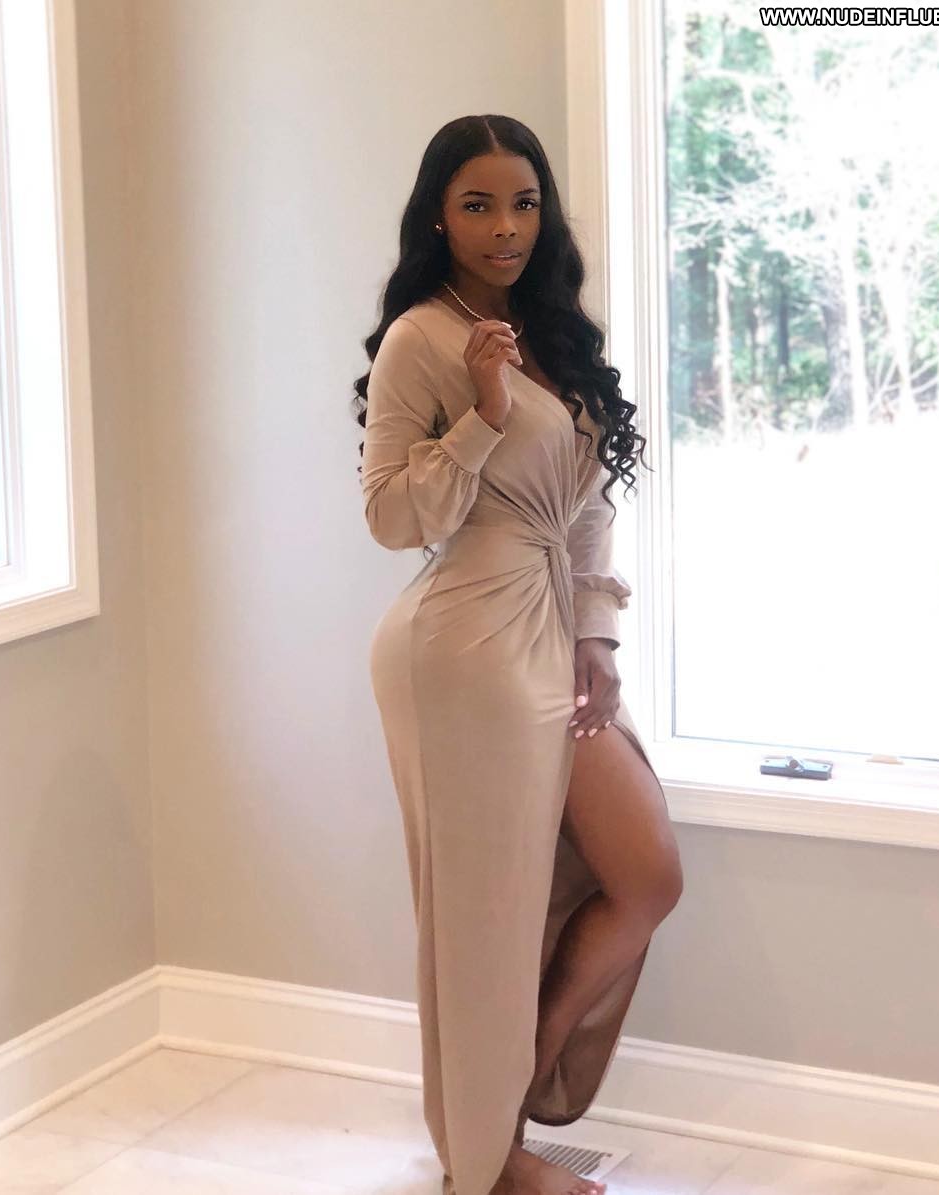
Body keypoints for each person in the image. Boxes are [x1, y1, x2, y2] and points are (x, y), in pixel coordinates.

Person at [355, 115, 683, 1195]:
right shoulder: (421, 340)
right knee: (484, 913)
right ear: (437, 219)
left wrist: (599, 634)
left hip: (549, 627)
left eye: (524, 203)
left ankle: (507, 1104)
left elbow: (584, 506)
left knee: (645, 874)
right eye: (479, 205)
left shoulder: (553, 328)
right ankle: (491, 1160)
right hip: (466, 647)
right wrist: (484, 414)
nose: (506, 227)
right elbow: (392, 517)